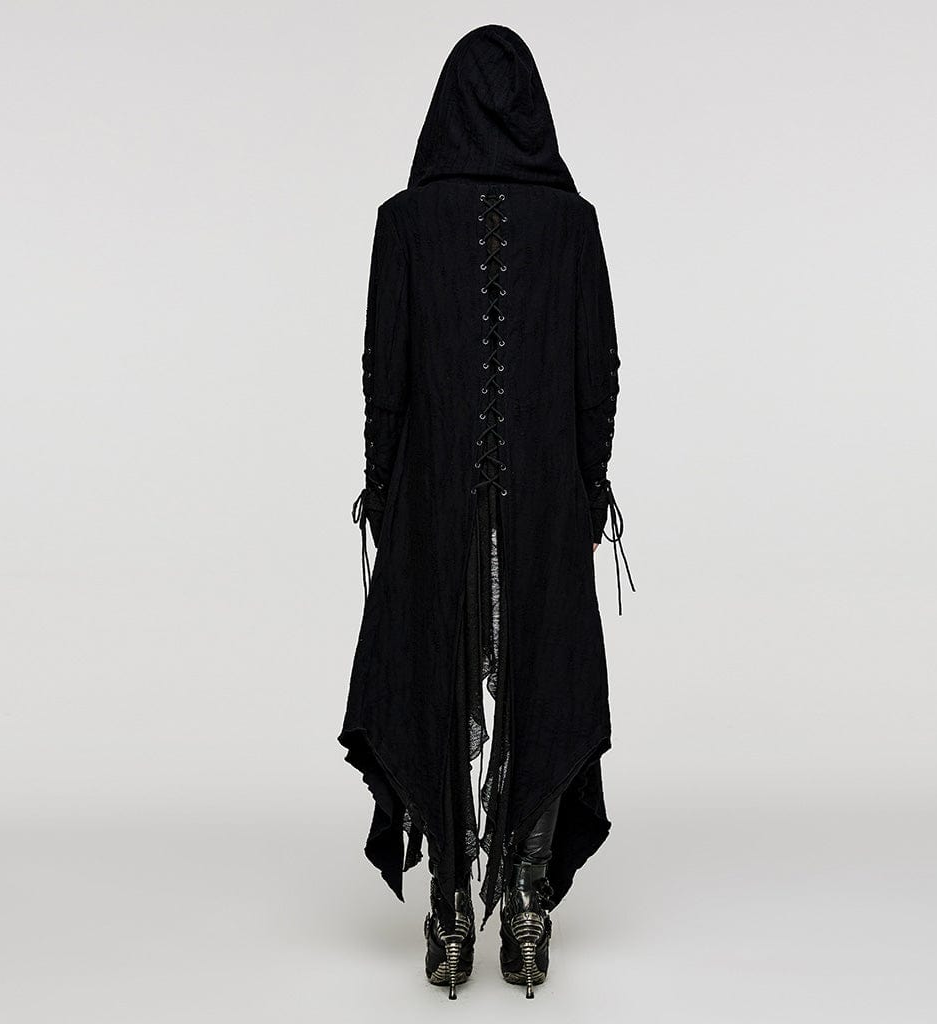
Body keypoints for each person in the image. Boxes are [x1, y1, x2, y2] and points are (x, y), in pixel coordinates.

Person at [338, 24, 634, 999]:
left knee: (435, 673)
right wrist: (586, 488)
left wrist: (385, 491)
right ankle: (528, 910)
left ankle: (452, 916)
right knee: (544, 677)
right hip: (544, 498)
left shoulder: (406, 220)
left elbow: (384, 374)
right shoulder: (572, 223)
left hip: (433, 497)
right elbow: (598, 372)